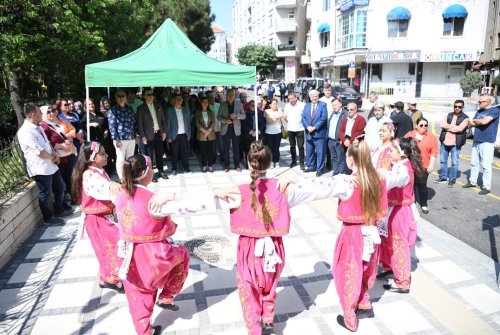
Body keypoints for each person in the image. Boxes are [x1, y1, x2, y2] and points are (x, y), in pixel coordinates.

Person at [213, 141, 368, 334]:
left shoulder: (236, 192)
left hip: (248, 250)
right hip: (274, 249)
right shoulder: (283, 188)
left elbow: (198, 204)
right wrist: (341, 179)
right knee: (270, 283)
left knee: (248, 287)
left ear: (248, 162)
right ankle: (268, 318)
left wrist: (215, 192)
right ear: (270, 163)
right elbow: (318, 190)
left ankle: (254, 327)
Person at [115, 154, 226, 335]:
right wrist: (213, 193)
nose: (152, 172)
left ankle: (144, 331)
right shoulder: (153, 201)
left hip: (127, 255)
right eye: (151, 169)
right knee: (182, 255)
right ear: (144, 173)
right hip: (152, 255)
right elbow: (188, 205)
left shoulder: (120, 194)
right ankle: (166, 296)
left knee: (138, 293)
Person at [71, 142, 123, 292]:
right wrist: (112, 186)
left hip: (102, 217)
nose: (106, 155)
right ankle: (111, 279)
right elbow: (101, 188)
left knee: (107, 248)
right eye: (102, 154)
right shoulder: (90, 175)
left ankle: (104, 277)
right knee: (114, 247)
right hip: (97, 220)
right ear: (93, 158)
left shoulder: (98, 170)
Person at [378, 137, 424, 294]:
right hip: (393, 210)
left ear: (402, 153)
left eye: (391, 151)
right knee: (387, 240)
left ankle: (403, 282)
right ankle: (391, 267)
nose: (389, 153)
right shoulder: (399, 165)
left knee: (399, 246)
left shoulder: (403, 169)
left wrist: (377, 177)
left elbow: (393, 180)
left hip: (400, 212)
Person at [17, 103, 67, 221]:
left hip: (50, 164)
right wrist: (52, 157)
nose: (42, 114)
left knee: (60, 186)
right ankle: (49, 218)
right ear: (33, 114)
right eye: (40, 112)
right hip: (40, 168)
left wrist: (54, 154)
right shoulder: (25, 131)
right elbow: (38, 151)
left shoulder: (38, 126)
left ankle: (59, 209)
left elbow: (47, 143)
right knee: (45, 194)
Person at [462, 96, 499, 195]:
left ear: (487, 102)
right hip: (477, 140)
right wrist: (479, 121)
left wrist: (478, 121)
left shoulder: (494, 111)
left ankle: (486, 187)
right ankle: (472, 182)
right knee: (474, 163)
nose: (478, 103)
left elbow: (484, 122)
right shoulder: (479, 111)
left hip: (487, 141)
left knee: (486, 166)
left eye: (480, 102)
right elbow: (471, 123)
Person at [40, 104, 76, 204]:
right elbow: (47, 143)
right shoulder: (44, 126)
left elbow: (65, 133)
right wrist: (60, 145)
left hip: (65, 156)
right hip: (57, 158)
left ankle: (69, 200)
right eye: (48, 112)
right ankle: (62, 204)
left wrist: (67, 141)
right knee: (61, 184)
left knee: (67, 178)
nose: (51, 113)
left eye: (52, 111)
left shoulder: (51, 124)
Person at [404, 117, 438, 214]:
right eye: (421, 125)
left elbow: (434, 152)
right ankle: (412, 203)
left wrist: (431, 165)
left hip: (424, 165)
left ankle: (424, 204)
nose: (424, 127)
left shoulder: (431, 137)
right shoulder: (410, 134)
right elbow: (403, 145)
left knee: (422, 185)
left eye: (426, 125)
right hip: (410, 165)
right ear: (417, 126)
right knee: (411, 185)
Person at [436, 99, 469, 187]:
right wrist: (453, 127)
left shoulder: (465, 118)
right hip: (445, 141)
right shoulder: (448, 115)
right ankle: (443, 177)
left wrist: (448, 127)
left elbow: (459, 129)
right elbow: (442, 125)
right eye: (455, 106)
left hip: (456, 143)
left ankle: (452, 179)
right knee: (443, 161)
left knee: (454, 163)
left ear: (462, 107)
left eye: (459, 107)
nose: (457, 108)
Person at [137, 89, 168, 182]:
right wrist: (143, 136)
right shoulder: (141, 108)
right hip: (148, 135)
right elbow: (140, 124)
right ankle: (151, 174)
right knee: (149, 156)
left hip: (158, 133)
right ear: (144, 96)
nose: (150, 96)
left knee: (159, 154)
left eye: (152, 94)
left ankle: (161, 171)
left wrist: (164, 131)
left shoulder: (158, 105)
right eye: (148, 94)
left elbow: (163, 120)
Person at [108, 89, 137, 180]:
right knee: (120, 159)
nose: (121, 98)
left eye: (123, 96)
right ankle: (122, 179)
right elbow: (112, 126)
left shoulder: (130, 108)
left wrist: (137, 135)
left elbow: (134, 123)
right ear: (116, 98)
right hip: (120, 139)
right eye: (119, 96)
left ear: (126, 97)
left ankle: (129, 177)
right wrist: (116, 139)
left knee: (130, 159)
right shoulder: (113, 110)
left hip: (131, 138)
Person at [218, 88, 246, 172]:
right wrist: (225, 121)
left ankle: (237, 165)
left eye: (232, 95)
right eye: (229, 95)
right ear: (226, 96)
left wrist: (237, 115)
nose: (231, 96)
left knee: (236, 148)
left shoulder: (239, 104)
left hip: (236, 129)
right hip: (226, 129)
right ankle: (226, 165)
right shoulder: (222, 104)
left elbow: (244, 116)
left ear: (235, 96)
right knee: (226, 148)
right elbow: (218, 117)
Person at [301, 89, 328, 176]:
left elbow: (323, 118)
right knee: (309, 151)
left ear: (318, 96)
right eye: (312, 96)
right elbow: (303, 118)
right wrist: (307, 126)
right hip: (309, 132)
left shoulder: (323, 105)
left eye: (316, 96)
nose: (314, 98)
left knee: (320, 152)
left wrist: (315, 127)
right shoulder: (307, 105)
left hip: (319, 133)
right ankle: (311, 166)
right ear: (310, 97)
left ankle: (320, 169)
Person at [165, 93, 192, 176]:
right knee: (174, 153)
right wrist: (168, 136)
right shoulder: (169, 111)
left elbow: (188, 123)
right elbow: (167, 125)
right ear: (174, 100)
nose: (179, 101)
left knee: (184, 152)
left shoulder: (185, 110)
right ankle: (174, 169)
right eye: (177, 99)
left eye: (180, 100)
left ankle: (186, 168)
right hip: (174, 135)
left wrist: (189, 134)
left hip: (184, 134)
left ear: (182, 101)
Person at [338, 103, 367, 172]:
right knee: (346, 163)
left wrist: (350, 142)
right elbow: (341, 130)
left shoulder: (361, 119)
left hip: (354, 145)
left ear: (356, 110)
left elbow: (359, 132)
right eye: (348, 110)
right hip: (345, 143)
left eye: (351, 109)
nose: (349, 111)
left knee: (354, 165)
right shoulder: (346, 119)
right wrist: (344, 140)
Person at [284, 93, 305, 169]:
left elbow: (305, 116)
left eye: (292, 98)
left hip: (300, 129)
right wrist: (289, 121)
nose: (290, 100)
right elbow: (285, 116)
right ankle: (294, 161)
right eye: (289, 99)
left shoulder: (302, 105)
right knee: (292, 146)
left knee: (300, 147)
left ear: (296, 98)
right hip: (290, 129)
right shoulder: (287, 106)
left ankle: (302, 163)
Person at [327, 99, 348, 175]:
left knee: (341, 159)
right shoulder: (333, 113)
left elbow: (347, 128)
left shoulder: (345, 114)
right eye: (332, 105)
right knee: (334, 158)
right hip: (331, 140)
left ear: (340, 104)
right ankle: (335, 172)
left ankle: (341, 174)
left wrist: (343, 138)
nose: (334, 107)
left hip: (339, 140)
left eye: (335, 105)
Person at [242, 100, 265, 167]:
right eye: (252, 105)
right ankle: (249, 163)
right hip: (249, 135)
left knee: (258, 149)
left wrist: (257, 131)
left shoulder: (260, 113)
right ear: (249, 106)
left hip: (258, 134)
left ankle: (257, 163)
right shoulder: (245, 114)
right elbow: (244, 125)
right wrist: (251, 132)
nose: (254, 107)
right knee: (248, 150)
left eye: (255, 105)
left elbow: (263, 124)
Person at [195, 96, 216, 172]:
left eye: (206, 102)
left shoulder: (211, 112)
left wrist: (208, 131)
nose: (205, 104)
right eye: (203, 102)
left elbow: (213, 122)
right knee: (203, 152)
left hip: (211, 134)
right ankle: (204, 165)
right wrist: (205, 131)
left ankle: (210, 165)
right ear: (201, 103)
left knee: (210, 151)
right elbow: (197, 123)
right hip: (201, 134)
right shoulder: (198, 112)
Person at [264, 99, 284, 169]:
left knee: (276, 147)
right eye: (274, 104)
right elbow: (268, 121)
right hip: (269, 132)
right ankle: (271, 161)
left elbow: (281, 115)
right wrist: (276, 117)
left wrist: (272, 118)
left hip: (278, 132)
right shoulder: (267, 111)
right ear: (270, 105)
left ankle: (277, 161)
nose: (275, 105)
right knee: (270, 148)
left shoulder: (279, 110)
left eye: (276, 103)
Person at [207, 91, 223, 164]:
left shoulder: (218, 105)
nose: (212, 99)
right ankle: (214, 157)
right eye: (210, 98)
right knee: (212, 144)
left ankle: (222, 157)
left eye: (213, 98)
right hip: (210, 128)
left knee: (220, 143)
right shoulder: (207, 106)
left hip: (219, 127)